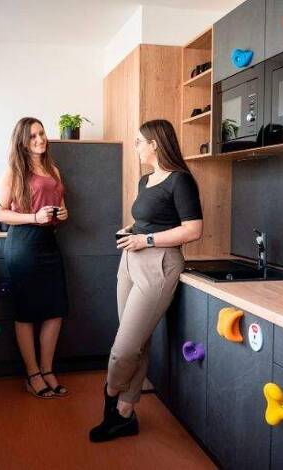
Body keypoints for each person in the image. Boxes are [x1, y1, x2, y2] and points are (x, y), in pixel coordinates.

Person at [89, 119, 203, 442]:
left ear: (154, 143)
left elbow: (193, 230)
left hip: (159, 263)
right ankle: (125, 414)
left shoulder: (181, 181)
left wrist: (147, 240)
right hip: (130, 261)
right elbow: (149, 220)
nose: (136, 146)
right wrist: (133, 230)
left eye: (139, 141)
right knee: (136, 342)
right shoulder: (145, 180)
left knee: (123, 349)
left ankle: (111, 395)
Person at [0, 117, 69, 399]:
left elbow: (60, 206)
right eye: (33, 136)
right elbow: (0, 212)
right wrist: (34, 218)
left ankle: (47, 370)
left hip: (49, 242)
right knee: (26, 311)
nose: (40, 139)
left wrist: (63, 214)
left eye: (42, 133)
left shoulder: (53, 169)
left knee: (55, 309)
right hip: (23, 245)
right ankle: (33, 374)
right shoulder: (13, 171)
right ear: (22, 142)